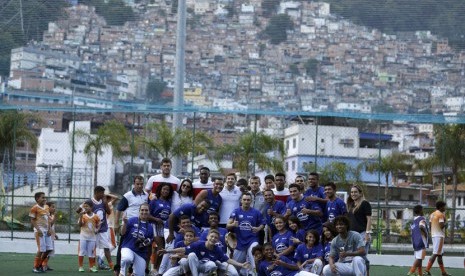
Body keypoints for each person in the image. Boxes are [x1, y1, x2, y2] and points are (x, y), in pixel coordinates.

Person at [162, 229, 250, 276]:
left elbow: (227, 260)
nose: (213, 238)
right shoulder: (198, 244)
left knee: (212, 264)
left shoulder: (217, 249)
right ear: (207, 237)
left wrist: (241, 265)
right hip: (191, 266)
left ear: (218, 240)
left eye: (216, 238)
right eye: (212, 236)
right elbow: (182, 249)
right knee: (191, 256)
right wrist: (167, 251)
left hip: (204, 269)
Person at [114, 176, 149, 275]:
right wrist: (116, 223)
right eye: (137, 184)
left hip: (141, 226)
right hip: (128, 226)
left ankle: (131, 270)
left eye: (141, 184)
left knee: (138, 247)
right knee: (123, 247)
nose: (139, 185)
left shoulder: (146, 195)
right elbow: (119, 209)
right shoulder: (127, 196)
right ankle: (118, 269)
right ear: (134, 184)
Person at [76, 185, 114, 270]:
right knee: (92, 249)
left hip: (103, 228)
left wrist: (105, 203)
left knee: (106, 247)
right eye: (102, 193)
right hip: (93, 230)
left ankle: (111, 265)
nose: (103, 195)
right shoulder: (89, 201)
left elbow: (108, 212)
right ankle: (92, 266)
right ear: (96, 193)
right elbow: (78, 210)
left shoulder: (103, 201)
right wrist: (83, 210)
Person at [227, 192, 266, 275]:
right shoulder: (236, 211)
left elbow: (263, 224)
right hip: (239, 241)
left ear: (251, 201)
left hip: (252, 239)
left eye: (248, 200)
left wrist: (258, 228)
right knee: (235, 267)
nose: (246, 201)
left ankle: (255, 273)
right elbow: (228, 225)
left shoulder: (256, 212)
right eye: (244, 199)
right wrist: (233, 224)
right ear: (241, 200)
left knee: (254, 259)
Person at [120, 203, 154, 276]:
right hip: (128, 247)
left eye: (146, 210)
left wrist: (147, 242)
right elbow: (122, 233)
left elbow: (150, 240)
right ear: (139, 211)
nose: (144, 212)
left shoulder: (150, 227)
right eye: (142, 210)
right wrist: (125, 223)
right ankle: (122, 273)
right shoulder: (132, 220)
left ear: (149, 212)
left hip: (141, 252)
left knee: (140, 274)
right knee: (127, 259)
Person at [148, 182, 174, 275]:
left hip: (165, 227)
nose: (166, 191)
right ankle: (154, 269)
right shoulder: (154, 201)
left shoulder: (169, 202)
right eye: (164, 189)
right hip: (155, 226)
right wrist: (156, 219)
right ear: (160, 190)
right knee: (160, 247)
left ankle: (158, 268)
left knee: (164, 248)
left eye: (167, 190)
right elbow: (147, 215)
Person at [347, 184, 372, 273]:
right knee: (355, 257)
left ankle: (366, 272)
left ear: (360, 193)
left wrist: (367, 234)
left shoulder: (365, 203)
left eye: (355, 192)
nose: (353, 194)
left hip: (362, 234)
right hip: (352, 236)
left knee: (361, 256)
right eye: (352, 192)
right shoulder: (351, 205)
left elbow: (369, 219)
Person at [424, 201, 450, 276]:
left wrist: (433, 232)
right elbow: (442, 226)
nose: (445, 208)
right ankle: (426, 270)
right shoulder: (441, 215)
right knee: (435, 253)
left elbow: (430, 225)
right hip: (439, 236)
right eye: (444, 206)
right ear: (441, 207)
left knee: (439, 255)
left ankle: (443, 272)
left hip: (434, 235)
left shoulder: (432, 214)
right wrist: (446, 222)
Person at [30, 192, 53, 273]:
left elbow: (48, 219)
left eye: (45, 197)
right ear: (37, 199)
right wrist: (38, 230)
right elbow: (32, 220)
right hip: (39, 231)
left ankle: (40, 264)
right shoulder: (34, 208)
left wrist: (50, 229)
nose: (45, 199)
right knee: (41, 249)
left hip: (47, 231)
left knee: (49, 249)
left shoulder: (46, 207)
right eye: (42, 197)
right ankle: (35, 267)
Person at [78, 200, 101, 272]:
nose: (85, 208)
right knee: (82, 251)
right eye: (84, 207)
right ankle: (80, 267)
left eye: (87, 206)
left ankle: (91, 267)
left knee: (91, 252)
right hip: (83, 237)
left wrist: (97, 229)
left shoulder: (96, 216)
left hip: (92, 237)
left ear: (91, 207)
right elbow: (80, 225)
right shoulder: (83, 216)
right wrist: (81, 216)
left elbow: (99, 224)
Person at [407, 205, 429, 276]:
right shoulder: (422, 219)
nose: (423, 211)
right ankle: (411, 272)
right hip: (421, 241)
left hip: (415, 242)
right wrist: (426, 233)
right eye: (422, 210)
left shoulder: (414, 221)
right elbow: (421, 226)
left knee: (419, 258)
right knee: (419, 259)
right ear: (420, 211)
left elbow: (412, 231)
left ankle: (420, 274)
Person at [43, 201, 58, 271]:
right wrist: (55, 218)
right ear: (48, 208)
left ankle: (45, 264)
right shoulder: (47, 216)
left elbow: (52, 228)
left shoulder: (52, 216)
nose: (54, 208)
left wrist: (55, 234)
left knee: (50, 251)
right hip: (47, 236)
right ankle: (43, 264)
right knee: (47, 250)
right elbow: (49, 225)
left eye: (54, 207)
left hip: (51, 236)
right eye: (52, 207)